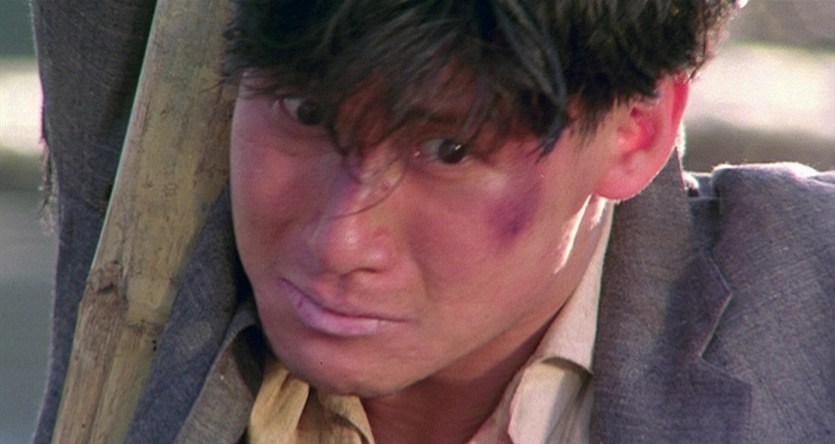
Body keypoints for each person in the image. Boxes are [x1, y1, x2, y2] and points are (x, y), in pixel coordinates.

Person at [33, 1, 834, 443]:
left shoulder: (808, 303)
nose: (339, 241)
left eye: (448, 151)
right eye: (305, 114)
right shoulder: (158, 218)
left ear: (634, 134)